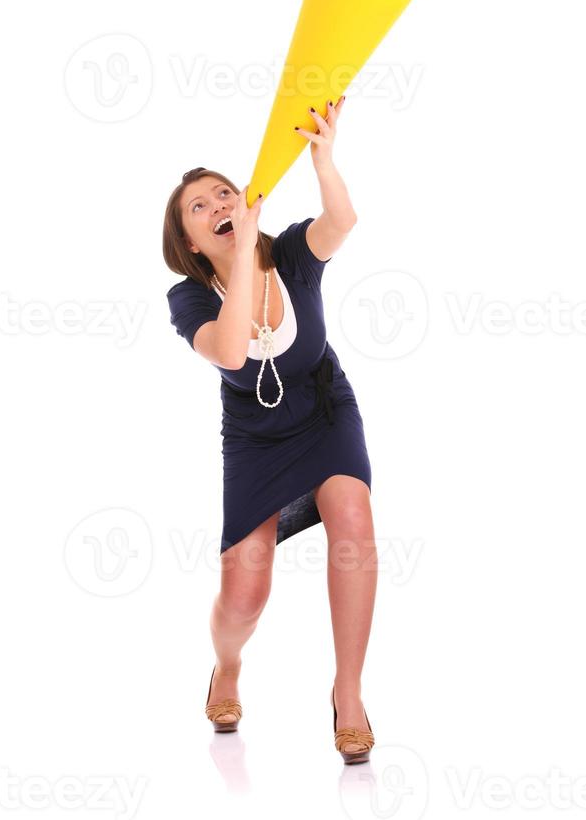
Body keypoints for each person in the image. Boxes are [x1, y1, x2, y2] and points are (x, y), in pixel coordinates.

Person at [162, 97, 377, 763]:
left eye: (223, 192)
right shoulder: (190, 297)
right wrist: (244, 251)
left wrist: (323, 159)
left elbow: (341, 221)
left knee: (353, 517)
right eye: (199, 206)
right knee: (245, 595)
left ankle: (348, 692)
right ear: (192, 242)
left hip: (323, 409)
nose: (217, 202)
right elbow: (230, 353)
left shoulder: (288, 252)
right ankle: (226, 666)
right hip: (256, 443)